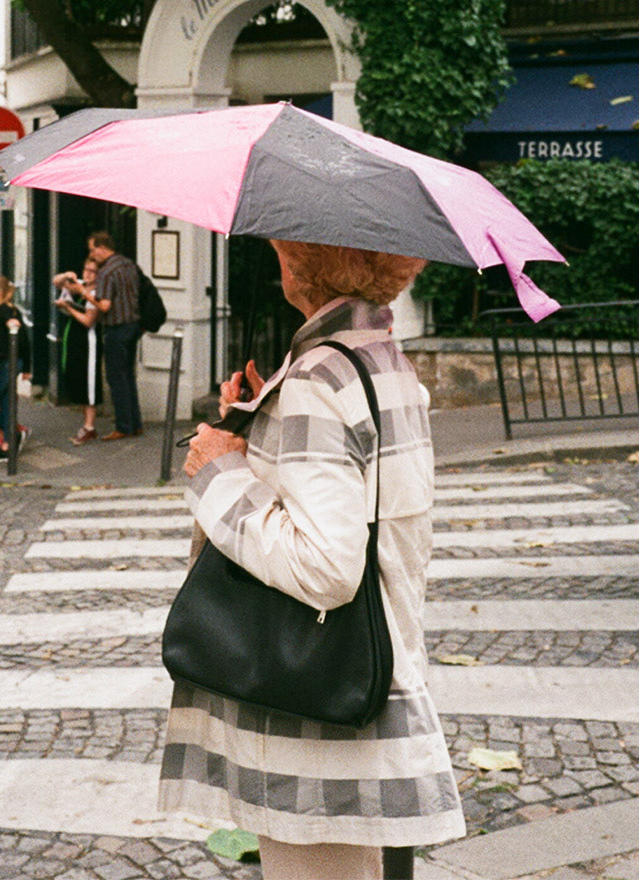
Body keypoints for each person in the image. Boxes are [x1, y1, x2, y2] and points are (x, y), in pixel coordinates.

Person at [161, 238, 464, 878]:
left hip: (313, 715)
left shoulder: (319, 379)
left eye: (282, 246)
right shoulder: (382, 361)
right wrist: (256, 421)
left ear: (304, 260)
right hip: (373, 671)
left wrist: (218, 471)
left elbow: (325, 567)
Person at [65, 230, 143, 440]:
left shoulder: (107, 272)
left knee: (116, 378)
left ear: (101, 248)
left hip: (116, 327)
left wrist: (84, 293)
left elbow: (105, 306)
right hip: (133, 325)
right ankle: (135, 424)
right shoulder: (128, 264)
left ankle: (123, 426)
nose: (92, 254)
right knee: (128, 376)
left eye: (93, 250)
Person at [52, 258, 102, 445]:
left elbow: (89, 320)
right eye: (85, 269)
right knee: (79, 380)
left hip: (88, 341)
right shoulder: (80, 286)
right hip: (74, 338)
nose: (87, 274)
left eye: (92, 271)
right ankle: (87, 425)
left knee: (89, 384)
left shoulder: (96, 293)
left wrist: (68, 308)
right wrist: (66, 275)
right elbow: (57, 282)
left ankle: (89, 427)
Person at [0, 274, 31, 460]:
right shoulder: (4, 309)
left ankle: (15, 434)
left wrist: (27, 367)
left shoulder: (5, 310)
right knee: (5, 404)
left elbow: (21, 336)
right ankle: (8, 446)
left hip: (5, 363)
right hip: (8, 361)